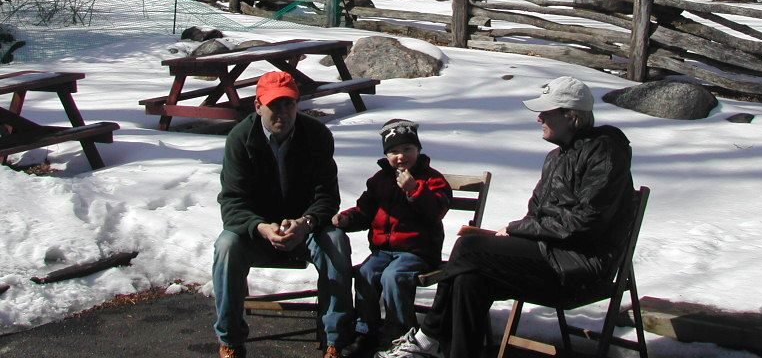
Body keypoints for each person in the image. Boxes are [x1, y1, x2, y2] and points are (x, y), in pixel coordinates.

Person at [374, 76, 635, 358]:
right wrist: (517, 232)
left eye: (546, 112)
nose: (539, 118)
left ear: (571, 116)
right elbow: (537, 213)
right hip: (550, 256)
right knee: (469, 279)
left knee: (468, 248)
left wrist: (517, 229)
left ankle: (429, 336)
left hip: (580, 266)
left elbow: (585, 222)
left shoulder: (605, 152)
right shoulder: (556, 158)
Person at [212, 70, 353, 358]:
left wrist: (305, 223)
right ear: (258, 106)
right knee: (226, 246)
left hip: (306, 228)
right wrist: (262, 227)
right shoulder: (240, 139)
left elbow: (327, 196)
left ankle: (335, 340)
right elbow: (232, 202)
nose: (283, 112)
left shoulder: (317, 136)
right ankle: (230, 340)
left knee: (337, 242)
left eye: (289, 104)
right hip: (258, 232)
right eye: (274, 105)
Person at [332, 119, 452, 358]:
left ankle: (401, 333)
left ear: (418, 150)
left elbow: (437, 210)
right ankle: (366, 331)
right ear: (386, 155)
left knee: (393, 276)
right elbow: (365, 211)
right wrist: (347, 219)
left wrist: (414, 190)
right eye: (394, 151)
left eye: (407, 149)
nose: (401, 156)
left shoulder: (432, 179)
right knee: (366, 273)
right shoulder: (380, 180)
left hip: (417, 251)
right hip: (383, 250)